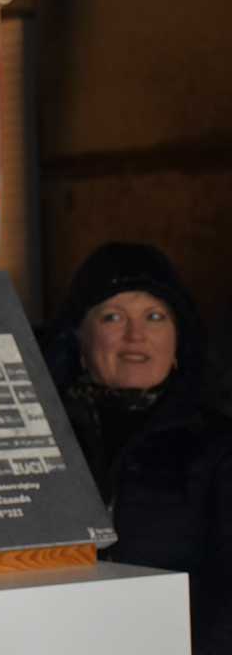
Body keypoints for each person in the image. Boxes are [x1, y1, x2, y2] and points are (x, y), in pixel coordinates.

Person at [43, 242, 232, 655]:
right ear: (79, 336)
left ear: (179, 337)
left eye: (155, 316)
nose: (136, 335)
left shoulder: (218, 448)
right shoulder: (40, 437)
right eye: (113, 317)